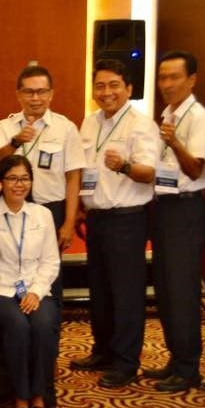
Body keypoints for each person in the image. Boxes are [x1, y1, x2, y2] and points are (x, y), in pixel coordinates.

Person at [71, 59, 158, 389]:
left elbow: (149, 173)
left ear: (129, 89)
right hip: (97, 218)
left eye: (114, 85)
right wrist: (81, 207)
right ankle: (103, 350)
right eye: (100, 86)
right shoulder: (89, 123)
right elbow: (84, 170)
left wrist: (124, 166)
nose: (106, 92)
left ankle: (126, 362)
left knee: (126, 294)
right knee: (101, 290)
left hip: (127, 219)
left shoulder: (141, 125)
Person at [144, 51, 205, 393]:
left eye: (174, 77)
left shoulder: (199, 118)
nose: (167, 84)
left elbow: (195, 170)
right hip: (164, 207)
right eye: (162, 77)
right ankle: (176, 359)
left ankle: (189, 368)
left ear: (192, 80)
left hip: (186, 210)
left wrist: (173, 141)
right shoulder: (167, 114)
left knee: (182, 289)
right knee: (165, 287)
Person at [0, 155, 60, 408]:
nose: (19, 184)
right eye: (12, 178)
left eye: (24, 178)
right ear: (0, 182)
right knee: (17, 325)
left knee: (44, 323)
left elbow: (51, 260)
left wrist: (36, 291)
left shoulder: (42, 214)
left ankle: (39, 394)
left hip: (34, 287)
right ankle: (21, 396)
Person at [0, 65, 85, 255]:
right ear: (18, 95)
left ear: (51, 94)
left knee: (50, 270)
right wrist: (15, 142)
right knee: (11, 265)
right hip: (12, 209)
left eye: (41, 92)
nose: (35, 98)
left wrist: (68, 223)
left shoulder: (66, 128)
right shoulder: (6, 126)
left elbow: (73, 178)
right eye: (29, 92)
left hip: (51, 210)